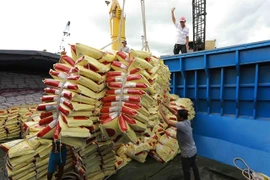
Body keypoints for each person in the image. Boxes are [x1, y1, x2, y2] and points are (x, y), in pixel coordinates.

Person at [159, 102, 200, 180]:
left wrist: (161, 112)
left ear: (181, 118)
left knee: (186, 171)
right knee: (194, 166)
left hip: (187, 153)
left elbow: (168, 122)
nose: (176, 115)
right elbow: (174, 112)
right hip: (193, 150)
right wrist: (165, 104)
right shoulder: (187, 121)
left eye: (177, 116)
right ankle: (198, 178)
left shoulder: (182, 125)